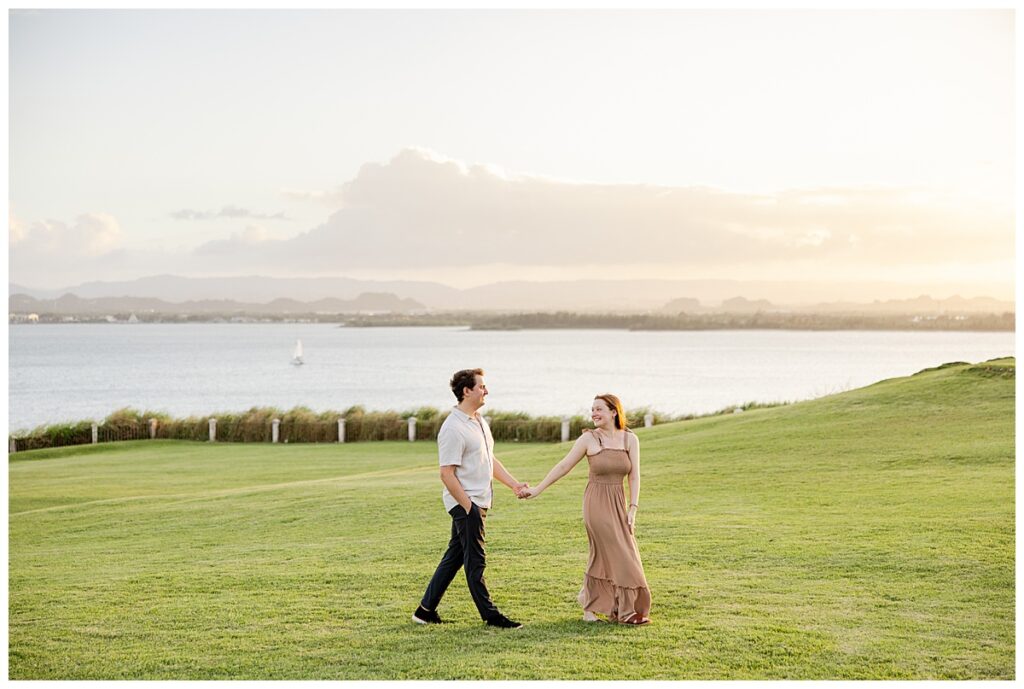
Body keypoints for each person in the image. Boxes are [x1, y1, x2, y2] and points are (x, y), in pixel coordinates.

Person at [412, 368, 529, 629]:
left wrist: (513, 484)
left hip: (478, 501)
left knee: (454, 557)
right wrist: (469, 508)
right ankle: (491, 616)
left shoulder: (478, 420)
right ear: (467, 391)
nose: (486, 391)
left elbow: (488, 460)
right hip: (467, 504)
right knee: (475, 561)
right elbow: (446, 473)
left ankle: (424, 611)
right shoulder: (453, 428)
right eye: (481, 387)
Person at [520, 393, 651, 625]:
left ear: (614, 412)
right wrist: (538, 489)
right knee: (621, 553)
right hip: (596, 503)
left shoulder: (630, 439)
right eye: (592, 410)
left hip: (619, 502)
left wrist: (633, 508)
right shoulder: (589, 439)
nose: (594, 414)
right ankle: (625, 610)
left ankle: (590, 606)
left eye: (599, 409)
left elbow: (635, 476)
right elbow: (564, 466)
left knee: (608, 555)